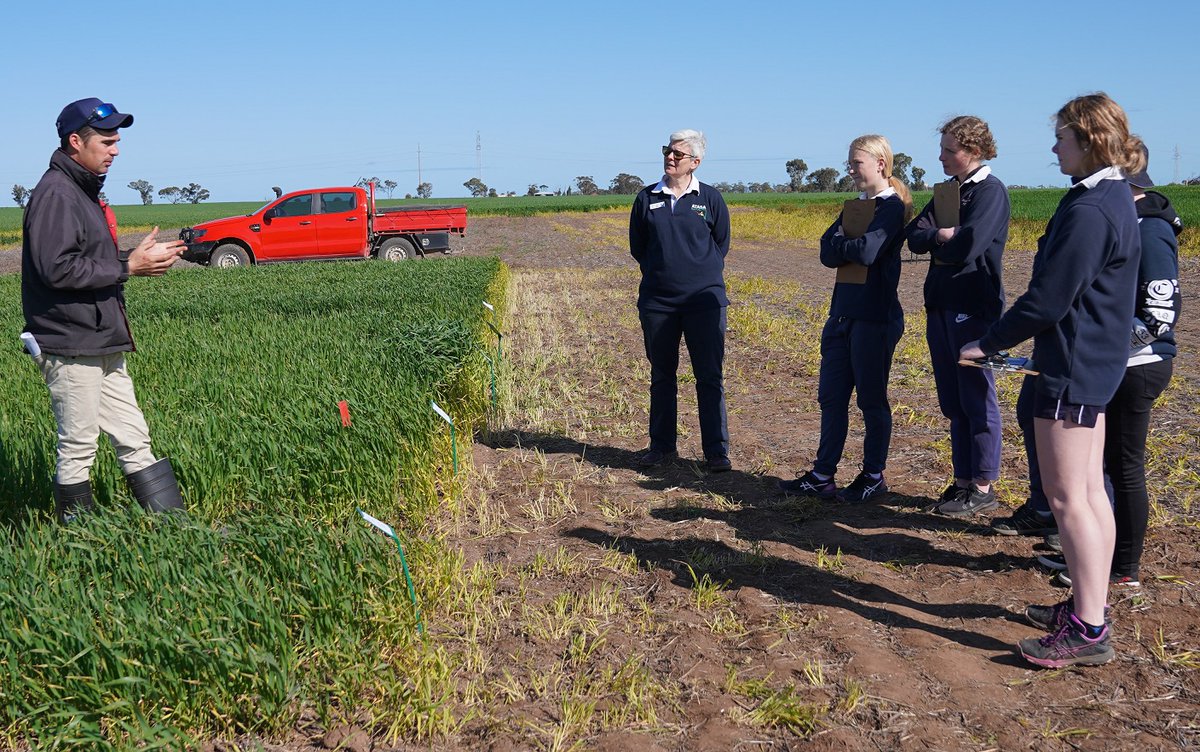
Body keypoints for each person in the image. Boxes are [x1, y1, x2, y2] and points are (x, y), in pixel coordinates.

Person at [960, 93, 1145, 668]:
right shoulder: (1110, 197)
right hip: (1089, 364)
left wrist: (988, 342)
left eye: (1062, 137)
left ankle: (1088, 630)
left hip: (1071, 368)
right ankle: (1090, 607)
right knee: (1087, 493)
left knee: (1069, 498)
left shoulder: (1092, 210)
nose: (1054, 146)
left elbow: (1048, 299)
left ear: (1090, 140)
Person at [22, 98, 187, 522]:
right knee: (78, 445)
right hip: (72, 343)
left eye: (117, 141)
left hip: (101, 339)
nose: (116, 150)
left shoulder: (81, 191)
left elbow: (88, 260)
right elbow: (56, 269)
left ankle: (175, 530)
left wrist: (135, 258)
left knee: (134, 437)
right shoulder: (57, 193)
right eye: (107, 142)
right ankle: (79, 543)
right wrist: (127, 267)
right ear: (76, 142)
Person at [1032, 150, 1181, 590]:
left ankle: (1122, 567)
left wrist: (1104, 351)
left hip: (1137, 367)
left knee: (1123, 466)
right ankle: (1094, 558)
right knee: (1097, 471)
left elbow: (1159, 315)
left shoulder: (1150, 230)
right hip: (1107, 364)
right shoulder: (1121, 221)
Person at [780, 135, 911, 502]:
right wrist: (842, 245)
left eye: (857, 163)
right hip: (841, 315)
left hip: (874, 317)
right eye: (850, 163)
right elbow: (826, 252)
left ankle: (873, 476)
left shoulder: (891, 207)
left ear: (880, 164)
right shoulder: (855, 207)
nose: (850, 169)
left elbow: (867, 252)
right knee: (832, 398)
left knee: (871, 401)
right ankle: (823, 475)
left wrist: (842, 244)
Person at [905, 116, 1009, 517]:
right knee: (953, 399)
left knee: (976, 397)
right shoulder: (948, 192)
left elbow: (969, 246)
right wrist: (939, 236)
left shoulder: (991, 192)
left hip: (973, 304)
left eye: (950, 150)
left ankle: (982, 485)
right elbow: (915, 236)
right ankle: (963, 480)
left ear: (974, 151)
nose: (941, 156)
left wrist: (943, 240)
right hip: (941, 302)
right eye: (942, 148)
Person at [629, 129, 732, 472]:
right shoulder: (646, 198)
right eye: (667, 151)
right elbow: (638, 248)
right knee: (662, 375)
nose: (670, 157)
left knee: (709, 376)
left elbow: (721, 243)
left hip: (704, 303)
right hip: (658, 303)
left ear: (695, 162)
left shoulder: (710, 198)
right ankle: (662, 447)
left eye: (678, 154)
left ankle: (716, 452)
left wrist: (697, 272)